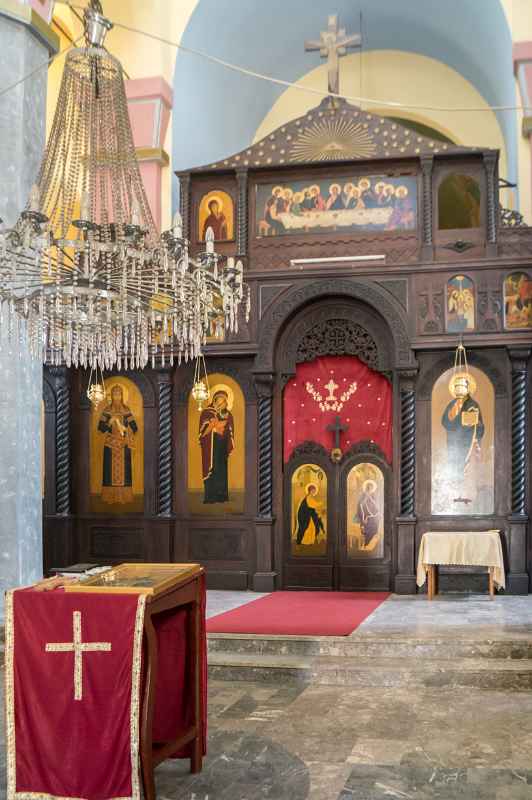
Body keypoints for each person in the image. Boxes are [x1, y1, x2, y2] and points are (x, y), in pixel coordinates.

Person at [98, 384, 138, 505]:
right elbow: (100, 428)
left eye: (119, 394)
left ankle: (124, 497)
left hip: (123, 446)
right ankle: (109, 497)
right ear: (111, 396)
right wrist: (110, 422)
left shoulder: (126, 410)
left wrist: (127, 430)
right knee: (109, 472)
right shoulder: (107, 410)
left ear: (122, 396)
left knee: (125, 473)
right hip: (110, 445)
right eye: (114, 394)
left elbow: (135, 427)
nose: (117, 396)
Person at [441, 377, 484, 476]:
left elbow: (479, 426)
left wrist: (475, 423)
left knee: (464, 467)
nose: (458, 389)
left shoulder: (473, 405)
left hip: (467, 441)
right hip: (453, 440)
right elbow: (444, 421)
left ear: (467, 388)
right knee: (453, 466)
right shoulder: (451, 404)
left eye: (461, 386)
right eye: (456, 386)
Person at [199, 390, 235, 503]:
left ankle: (222, 496)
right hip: (210, 446)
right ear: (215, 400)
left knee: (221, 471)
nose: (224, 403)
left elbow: (230, 429)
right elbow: (202, 432)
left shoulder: (228, 414)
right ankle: (210, 497)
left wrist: (224, 428)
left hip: (222, 447)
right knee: (211, 470)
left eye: (225, 401)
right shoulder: (206, 413)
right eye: (221, 400)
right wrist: (212, 426)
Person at [355, 479, 380, 549]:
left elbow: (377, 506)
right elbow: (360, 505)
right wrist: (366, 497)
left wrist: (370, 498)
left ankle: (367, 544)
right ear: (366, 488)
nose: (369, 488)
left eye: (370, 487)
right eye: (368, 487)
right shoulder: (363, 495)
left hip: (373, 517)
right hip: (365, 516)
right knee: (365, 531)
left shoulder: (374, 495)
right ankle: (365, 544)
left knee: (374, 530)